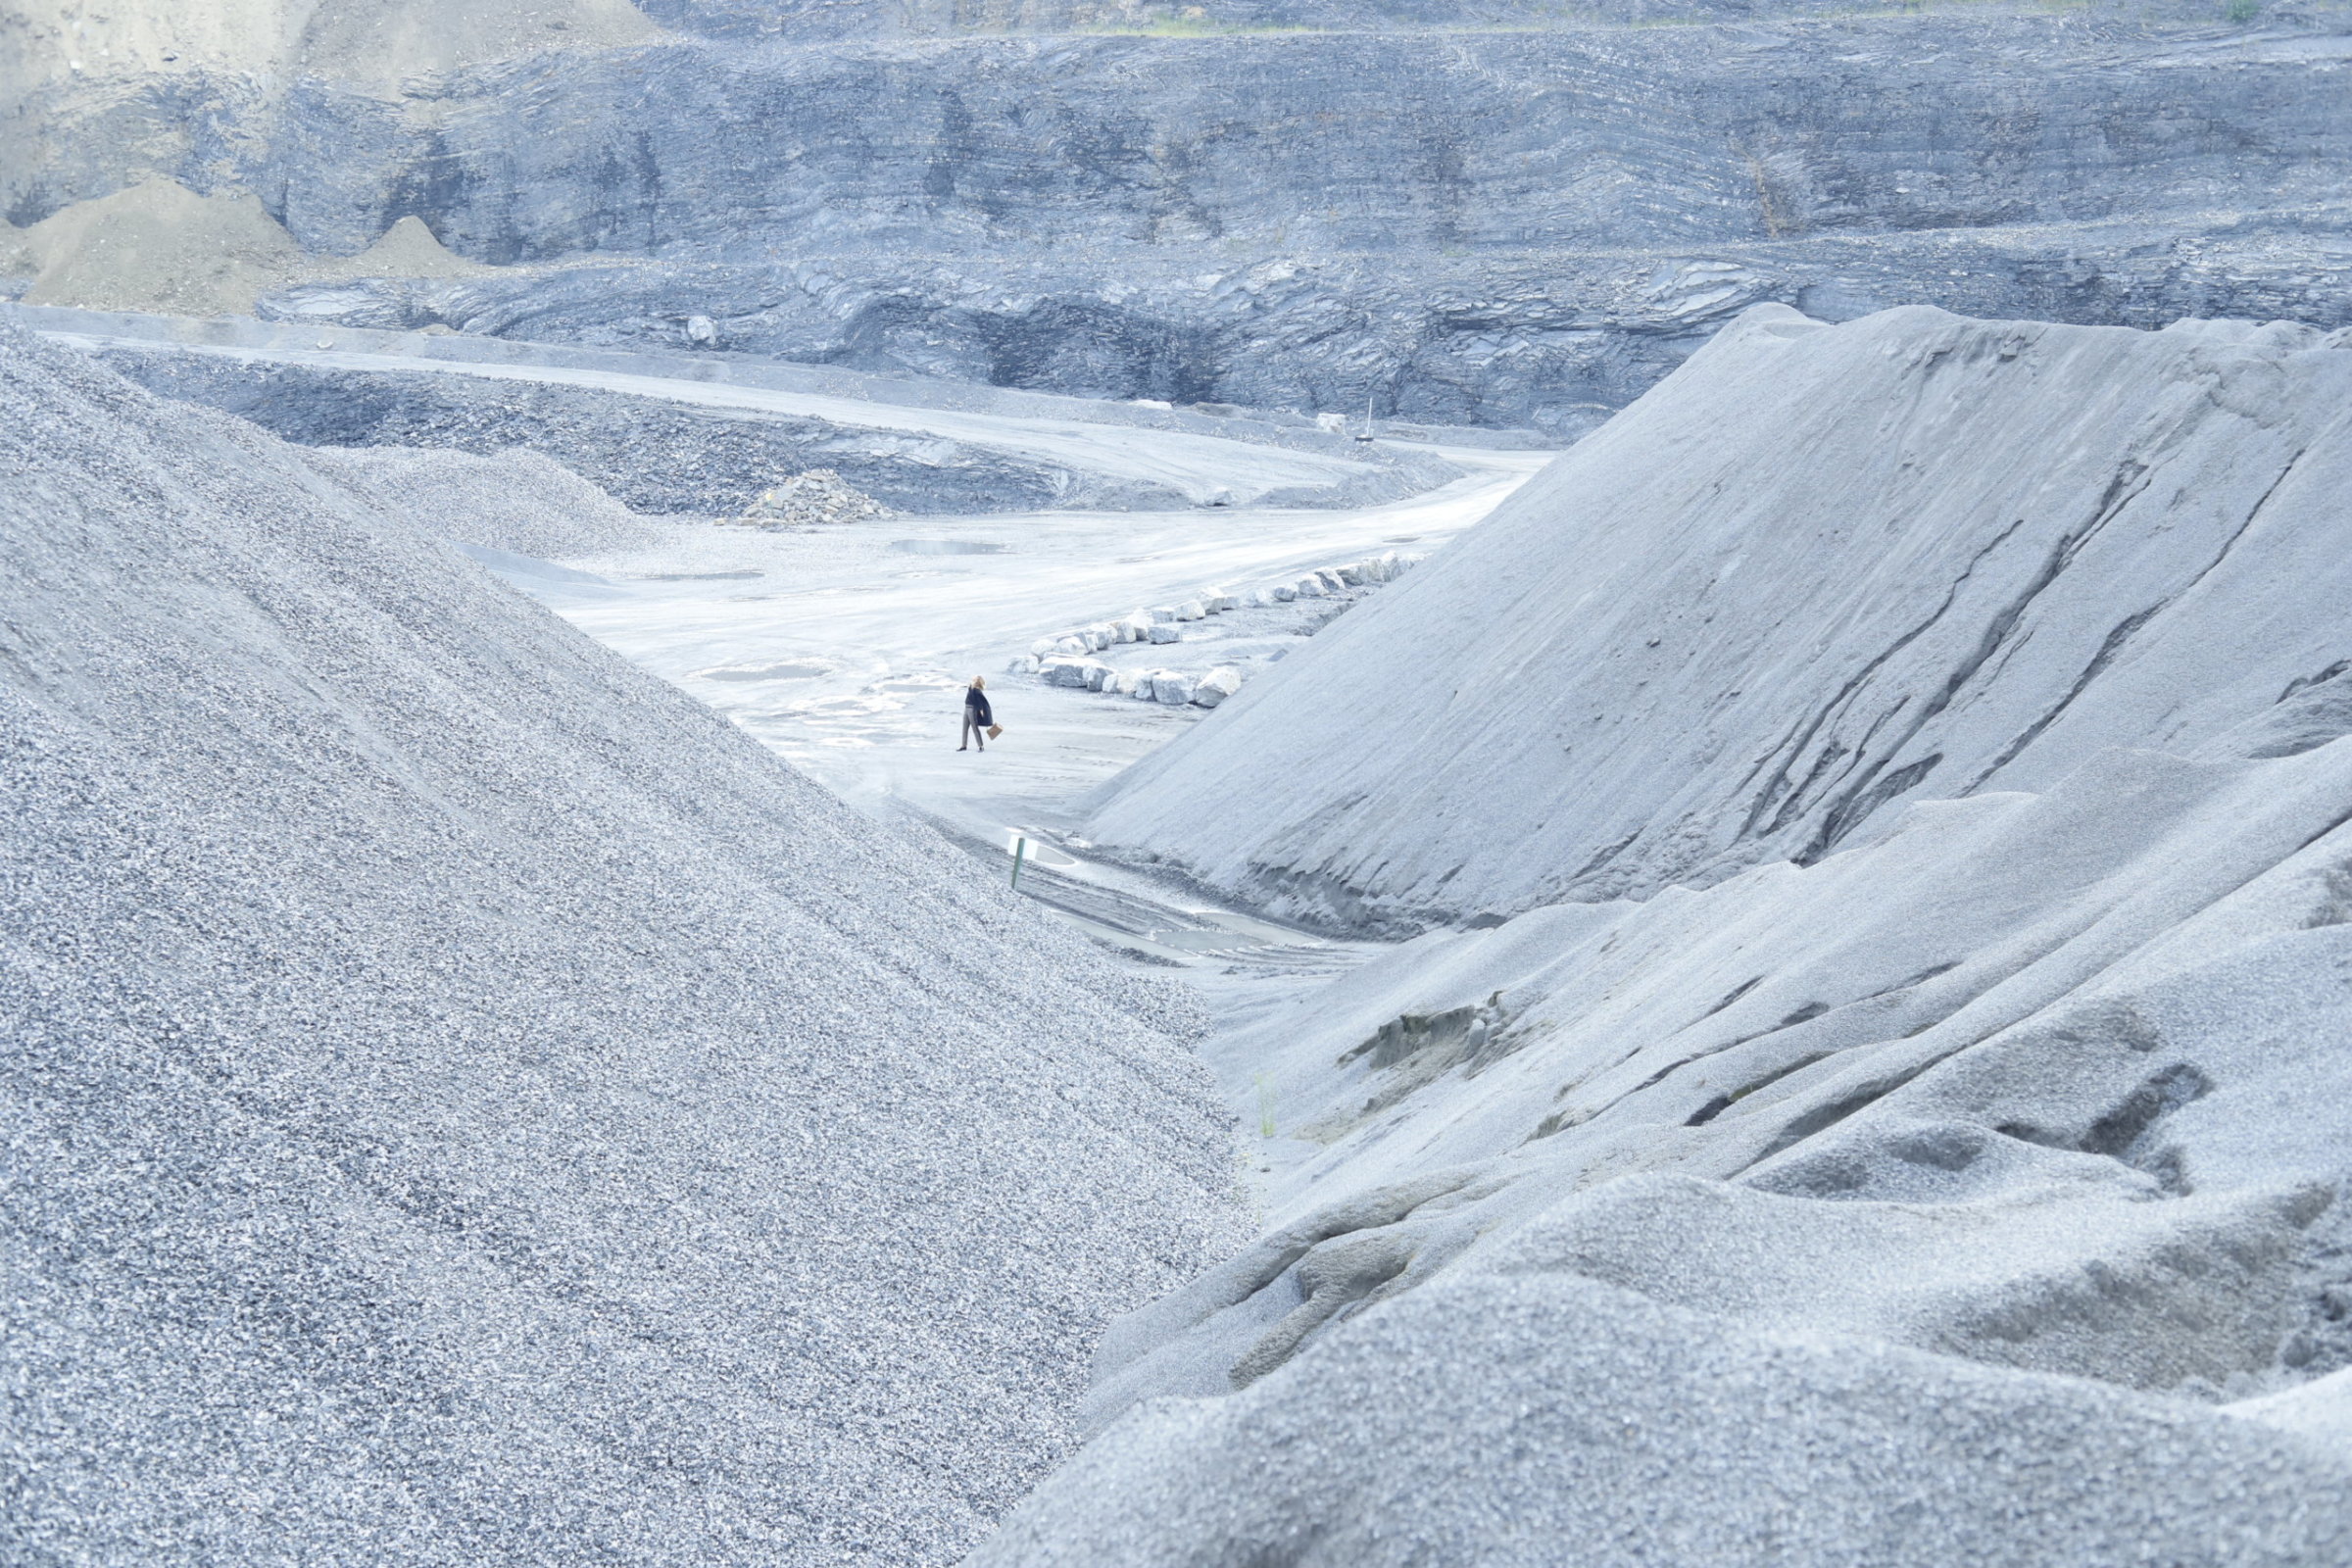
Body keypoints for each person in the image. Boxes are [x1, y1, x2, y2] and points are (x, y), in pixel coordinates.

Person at [959, 676, 994, 752]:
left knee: (975, 728)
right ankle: (963, 745)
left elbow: (980, 702)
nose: (973, 680)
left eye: (974, 679)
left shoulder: (977, 690)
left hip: (972, 709)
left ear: (977, 681)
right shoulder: (971, 688)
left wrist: (981, 711)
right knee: (964, 728)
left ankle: (981, 746)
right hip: (966, 708)